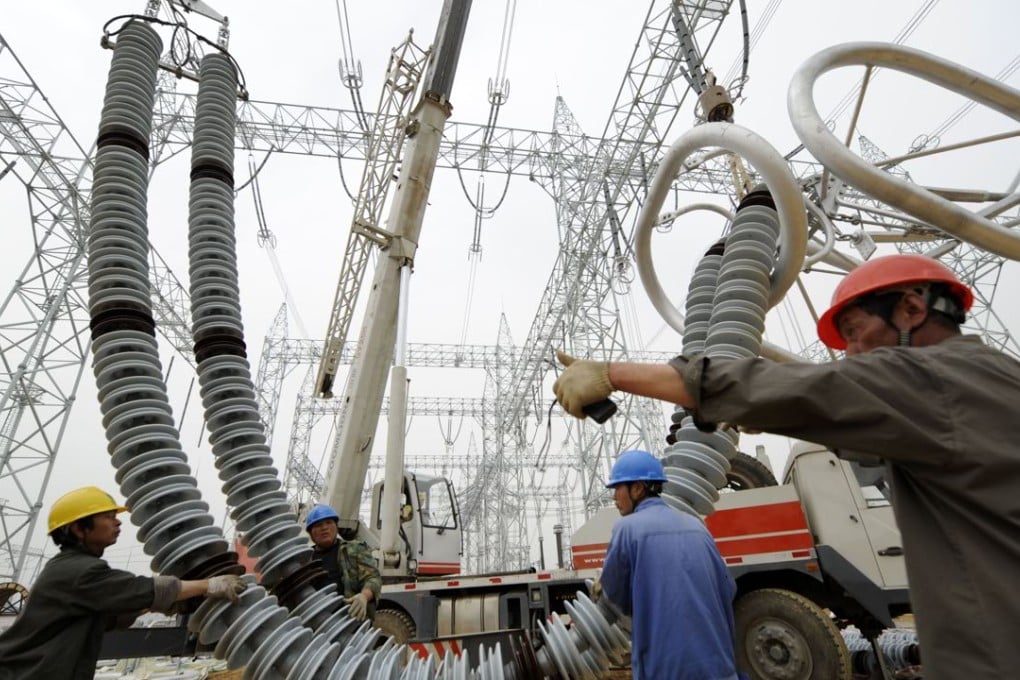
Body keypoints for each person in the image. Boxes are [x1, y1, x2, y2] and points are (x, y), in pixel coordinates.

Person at [553, 253, 1020, 680]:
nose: (851, 353)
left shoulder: (932, 379)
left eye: (855, 332)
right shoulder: (996, 378)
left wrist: (610, 375)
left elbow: (797, 388)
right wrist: (774, 416)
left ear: (912, 309)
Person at [0, 486, 247, 680]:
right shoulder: (78, 571)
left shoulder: (69, 569)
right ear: (78, 529)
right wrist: (210, 585)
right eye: (108, 517)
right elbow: (144, 588)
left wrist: (154, 605)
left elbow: (108, 616)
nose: (118, 522)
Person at [598, 449, 739, 680]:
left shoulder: (627, 529)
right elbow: (727, 589)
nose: (614, 497)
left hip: (666, 669)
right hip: (719, 668)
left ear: (637, 488)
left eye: (617, 489)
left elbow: (616, 597)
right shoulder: (697, 526)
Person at [305, 504, 381, 621]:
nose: (325, 528)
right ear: (311, 533)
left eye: (329, 523)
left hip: (351, 622)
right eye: (318, 525)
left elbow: (373, 578)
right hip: (318, 624)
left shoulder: (354, 550)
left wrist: (364, 596)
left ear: (336, 526)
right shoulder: (305, 560)